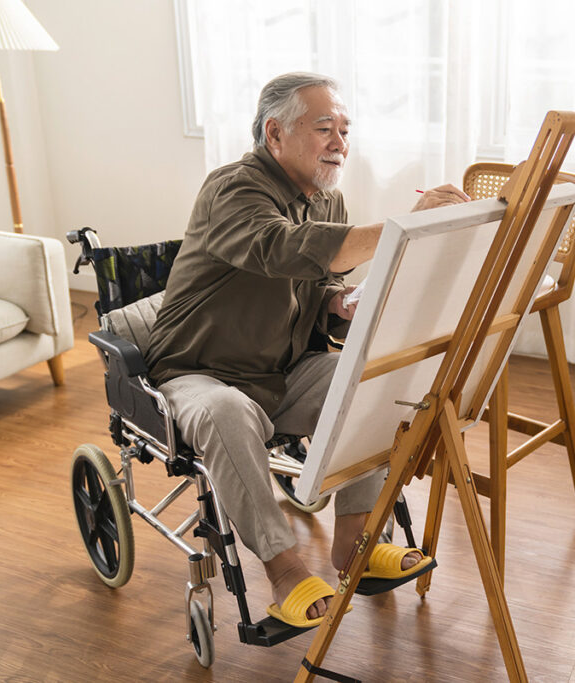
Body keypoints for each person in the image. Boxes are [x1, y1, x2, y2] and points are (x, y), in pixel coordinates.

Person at [146, 72, 470, 627]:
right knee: (226, 412)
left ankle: (354, 543)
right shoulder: (233, 188)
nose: (341, 143)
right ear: (275, 134)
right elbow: (280, 249)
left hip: (280, 371)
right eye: (325, 129)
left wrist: (337, 302)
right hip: (198, 372)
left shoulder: (327, 200)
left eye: (345, 130)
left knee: (373, 379)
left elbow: (310, 280)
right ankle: (286, 570)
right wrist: (404, 226)